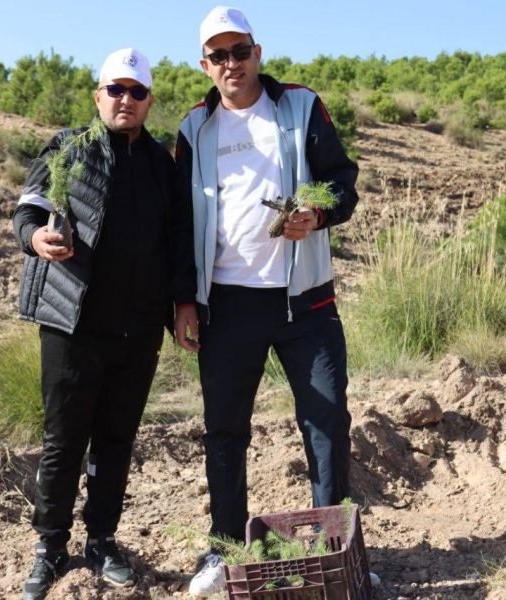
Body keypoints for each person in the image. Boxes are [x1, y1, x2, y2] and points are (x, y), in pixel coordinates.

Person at [175, 7, 359, 596]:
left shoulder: (301, 106)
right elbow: (180, 224)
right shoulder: (193, 128)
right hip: (227, 307)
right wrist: (184, 300)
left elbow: (343, 183)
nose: (231, 63)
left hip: (305, 304)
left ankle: (336, 551)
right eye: (219, 55)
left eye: (240, 51)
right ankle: (225, 550)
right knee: (224, 432)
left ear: (258, 53)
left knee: (326, 422)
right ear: (205, 65)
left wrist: (318, 214)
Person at [12, 48, 196, 600]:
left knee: (116, 441)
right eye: (115, 89)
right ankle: (50, 546)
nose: (125, 100)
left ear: (149, 101)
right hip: (72, 325)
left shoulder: (162, 165)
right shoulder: (68, 148)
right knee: (63, 441)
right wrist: (36, 238)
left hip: (137, 331)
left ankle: (102, 540)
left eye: (136, 92)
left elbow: (178, 242)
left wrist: (182, 304)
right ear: (98, 96)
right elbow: (27, 210)